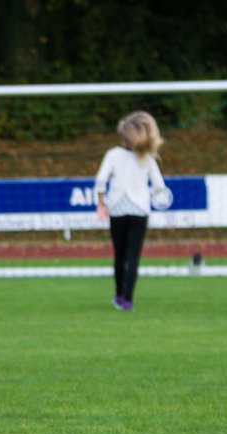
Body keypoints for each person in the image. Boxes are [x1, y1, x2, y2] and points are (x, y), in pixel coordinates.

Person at [94, 111, 167, 311]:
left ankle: (118, 294)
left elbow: (100, 182)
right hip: (140, 210)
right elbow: (159, 186)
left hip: (117, 209)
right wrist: (146, 194)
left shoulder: (113, 155)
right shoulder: (147, 158)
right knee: (133, 256)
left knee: (119, 255)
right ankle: (127, 299)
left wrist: (101, 203)